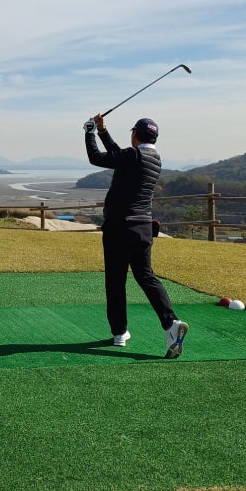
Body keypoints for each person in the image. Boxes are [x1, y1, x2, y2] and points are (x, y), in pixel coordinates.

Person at [84, 113, 188, 358]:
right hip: (143, 229)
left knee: (115, 280)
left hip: (119, 228)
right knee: (146, 277)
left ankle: (120, 332)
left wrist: (89, 131)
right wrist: (102, 131)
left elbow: (96, 157)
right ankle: (171, 323)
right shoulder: (154, 159)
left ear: (135, 134)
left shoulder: (132, 156)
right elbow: (118, 155)